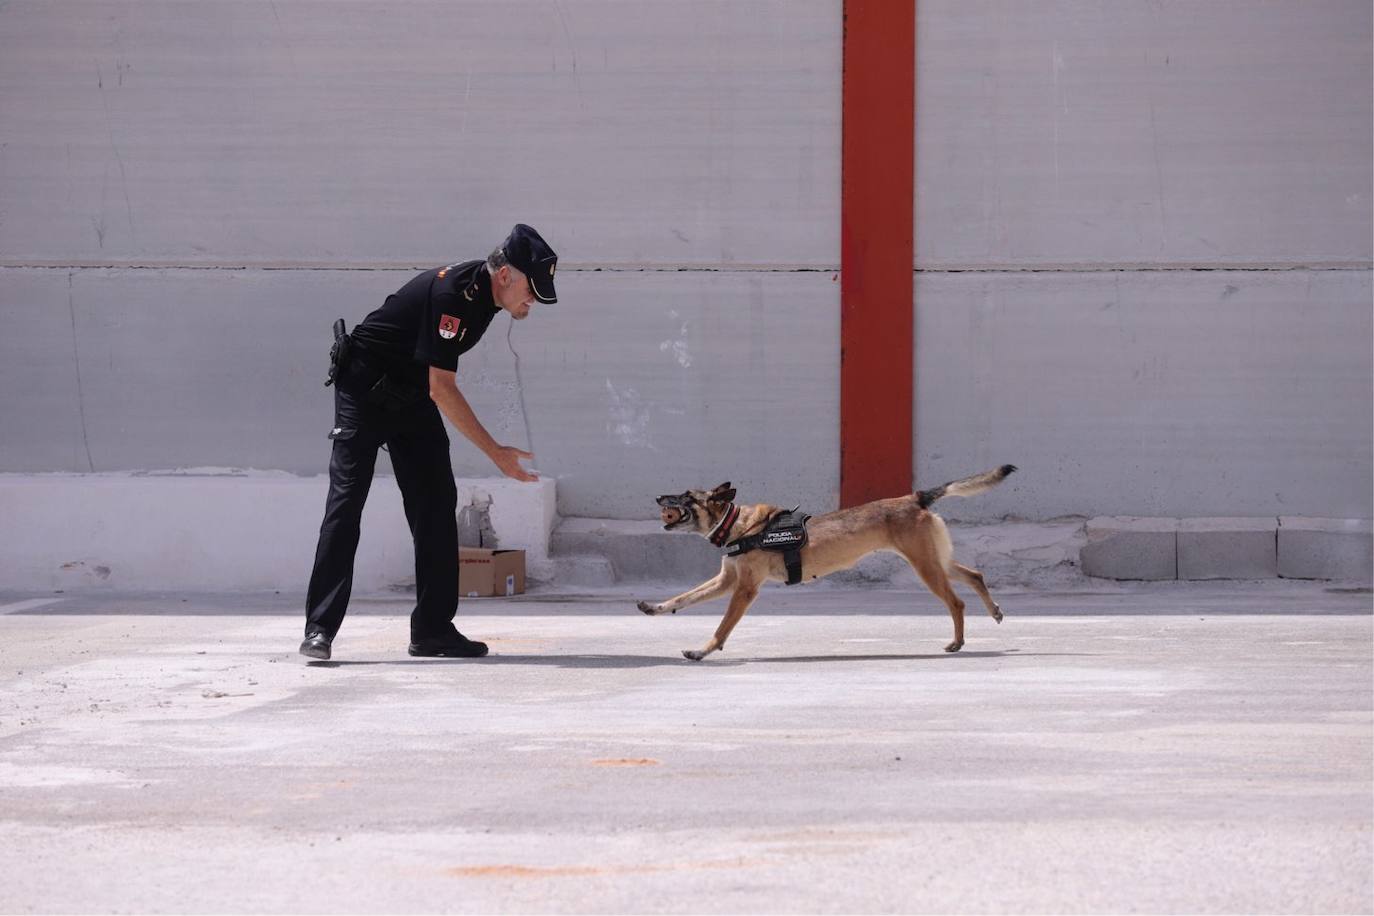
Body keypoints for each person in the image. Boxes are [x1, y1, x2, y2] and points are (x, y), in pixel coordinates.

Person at [300, 224, 557, 660]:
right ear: (506, 275)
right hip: (364, 390)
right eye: (532, 288)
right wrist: (496, 453)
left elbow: (430, 383)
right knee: (346, 505)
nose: (534, 299)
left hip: (411, 397)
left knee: (436, 503)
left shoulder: (487, 300)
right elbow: (443, 388)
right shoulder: (454, 296)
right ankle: (319, 629)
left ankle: (433, 630)